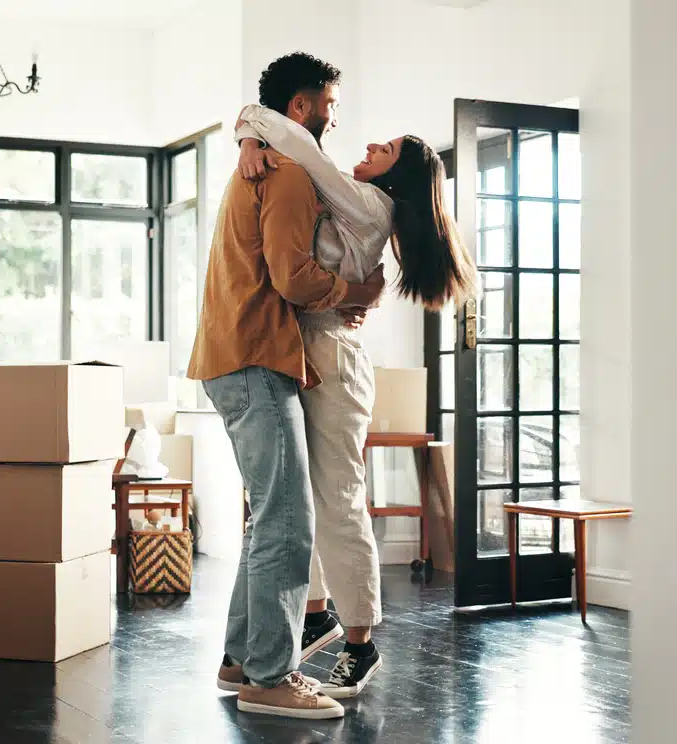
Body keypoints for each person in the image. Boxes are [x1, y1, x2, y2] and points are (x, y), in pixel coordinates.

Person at [229, 69, 476, 700]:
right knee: (292, 502)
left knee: (336, 497)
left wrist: (252, 125)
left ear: (396, 177)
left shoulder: (370, 204)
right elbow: (297, 147)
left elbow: (305, 152)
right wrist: (247, 138)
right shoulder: (361, 199)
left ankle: (360, 641)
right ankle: (314, 614)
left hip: (331, 356)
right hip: (306, 349)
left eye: (384, 151)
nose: (366, 148)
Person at [187, 52, 385, 720]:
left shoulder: (257, 164)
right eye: (327, 102)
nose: (333, 114)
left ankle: (242, 658)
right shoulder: (290, 174)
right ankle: (270, 679)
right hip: (256, 355)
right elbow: (293, 279)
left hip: (235, 353)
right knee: (289, 522)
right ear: (299, 108)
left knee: (270, 517)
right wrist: (356, 290)